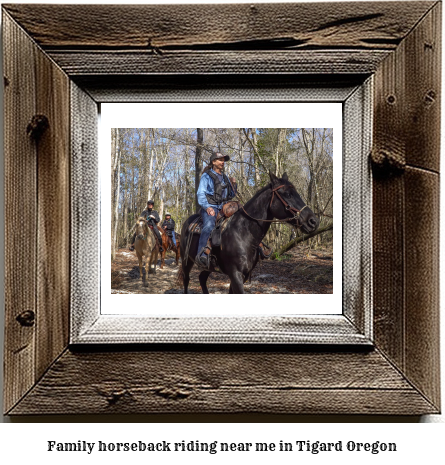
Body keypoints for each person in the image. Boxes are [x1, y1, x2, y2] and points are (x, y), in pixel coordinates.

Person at [195, 151, 237, 269]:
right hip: (210, 207)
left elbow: (231, 195)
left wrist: (234, 184)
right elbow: (200, 193)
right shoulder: (206, 176)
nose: (222, 162)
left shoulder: (225, 177)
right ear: (213, 162)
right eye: (220, 160)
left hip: (224, 207)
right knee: (208, 226)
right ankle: (202, 254)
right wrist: (207, 207)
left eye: (223, 160)